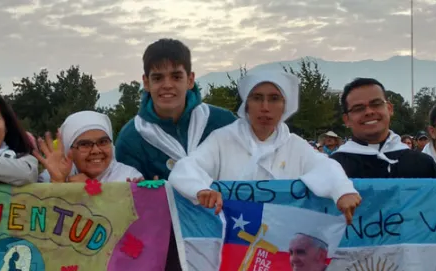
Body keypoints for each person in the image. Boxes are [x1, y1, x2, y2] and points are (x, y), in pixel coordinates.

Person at [168, 71, 361, 224]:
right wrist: (200, 189)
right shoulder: (222, 139)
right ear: (247, 104)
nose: (265, 106)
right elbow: (187, 167)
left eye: (274, 98)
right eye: (257, 98)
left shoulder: (294, 145)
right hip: (232, 241)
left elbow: (325, 167)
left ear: (285, 105)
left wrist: (342, 190)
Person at [114, 39, 237, 180]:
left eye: (176, 77)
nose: (167, 85)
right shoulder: (131, 139)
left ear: (190, 80)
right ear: (146, 83)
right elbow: (129, 197)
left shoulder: (223, 122)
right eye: (158, 78)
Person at [331, 78, 436, 179]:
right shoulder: (332, 168)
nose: (369, 112)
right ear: (346, 120)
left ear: (389, 109)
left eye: (376, 104)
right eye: (358, 108)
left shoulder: (423, 164)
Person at [36, 110, 142, 183]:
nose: (96, 150)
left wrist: (89, 191)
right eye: (84, 144)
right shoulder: (52, 175)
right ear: (69, 150)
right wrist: (59, 184)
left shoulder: (129, 178)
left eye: (103, 142)